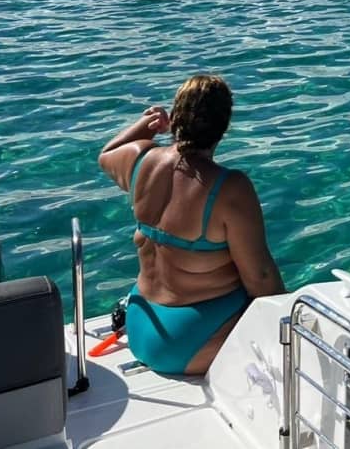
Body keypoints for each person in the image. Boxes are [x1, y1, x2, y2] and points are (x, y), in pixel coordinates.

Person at [99, 74, 285, 374]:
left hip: (141, 322)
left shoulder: (140, 162)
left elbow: (107, 154)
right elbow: (261, 278)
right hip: (187, 343)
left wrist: (145, 124)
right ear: (223, 128)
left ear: (175, 118)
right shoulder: (230, 188)